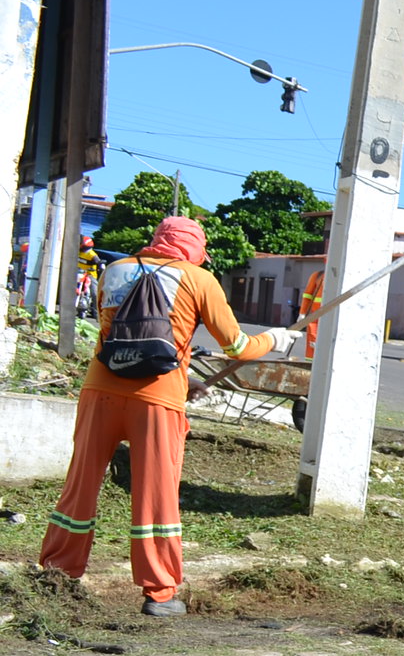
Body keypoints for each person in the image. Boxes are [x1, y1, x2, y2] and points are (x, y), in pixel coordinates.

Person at [38, 216, 292, 616]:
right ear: (195, 249)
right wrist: (275, 339)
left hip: (100, 390)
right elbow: (238, 346)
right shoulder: (199, 279)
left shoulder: (114, 270)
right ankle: (159, 593)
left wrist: (186, 378)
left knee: (81, 482)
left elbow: (123, 338)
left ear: (157, 240)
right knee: (156, 496)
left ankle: (57, 571)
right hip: (157, 400)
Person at [299, 268, 324, 360]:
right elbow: (307, 295)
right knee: (312, 345)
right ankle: (309, 366)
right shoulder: (318, 275)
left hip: (331, 318)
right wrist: (302, 313)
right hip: (315, 318)